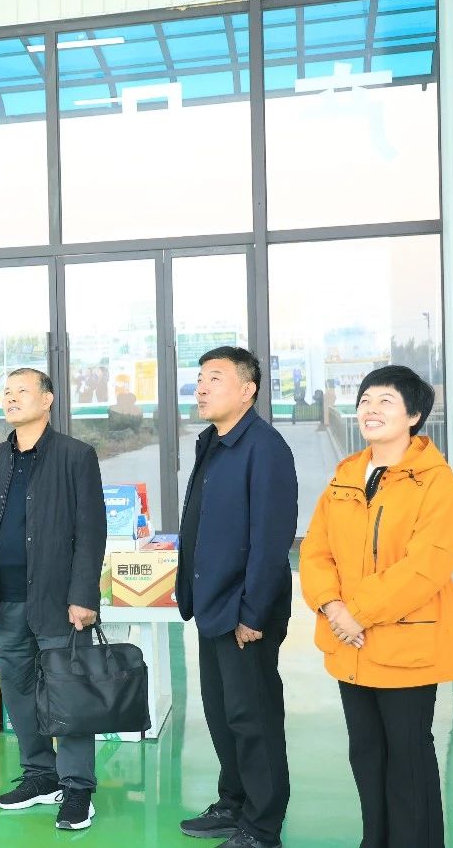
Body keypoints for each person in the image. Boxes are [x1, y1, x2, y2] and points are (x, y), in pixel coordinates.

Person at [299, 365, 453, 848]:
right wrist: (332, 606)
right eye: (365, 400)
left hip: (404, 646)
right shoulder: (346, 475)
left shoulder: (435, 482)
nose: (370, 409)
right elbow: (316, 551)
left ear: (414, 416)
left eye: (386, 401)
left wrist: (357, 613)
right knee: (367, 755)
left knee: (407, 757)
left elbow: (426, 566)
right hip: (350, 644)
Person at [0, 367, 106, 831]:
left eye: (21, 391)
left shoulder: (76, 455)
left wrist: (83, 595)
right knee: (20, 690)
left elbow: (91, 531)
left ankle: (77, 787)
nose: (11, 398)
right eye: (6, 392)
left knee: (68, 692)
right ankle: (40, 775)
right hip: (5, 599)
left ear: (47, 399)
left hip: (59, 601)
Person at [176, 347, 297, 848]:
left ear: (248, 390)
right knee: (223, 713)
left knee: (253, 718)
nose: (201, 387)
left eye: (215, 378)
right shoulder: (212, 441)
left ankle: (262, 826)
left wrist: (253, 612)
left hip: (244, 610)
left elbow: (271, 539)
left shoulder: (265, 448)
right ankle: (234, 803)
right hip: (212, 604)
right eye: (200, 377)